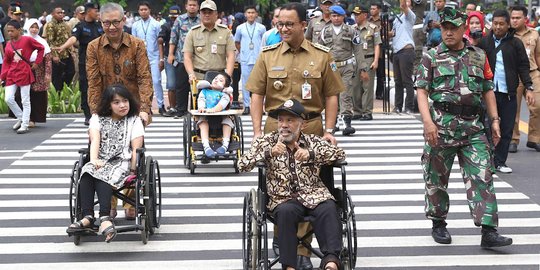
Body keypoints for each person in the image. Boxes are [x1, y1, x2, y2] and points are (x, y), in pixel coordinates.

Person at [246, 3, 344, 268]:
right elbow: (256, 94)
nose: (284, 29)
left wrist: (329, 131)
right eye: (280, 24)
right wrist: (257, 133)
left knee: (314, 188)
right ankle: (292, 246)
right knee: (281, 189)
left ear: (304, 25)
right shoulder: (268, 55)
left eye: (290, 24)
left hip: (311, 128)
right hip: (276, 129)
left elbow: (332, 94)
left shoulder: (322, 56)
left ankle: (306, 248)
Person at [415, 7, 513, 248]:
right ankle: (438, 222)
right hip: (441, 126)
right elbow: (421, 90)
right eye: (444, 28)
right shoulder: (432, 56)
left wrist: (495, 121)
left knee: (483, 175)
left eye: (453, 28)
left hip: (473, 128)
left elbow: (488, 89)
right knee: (436, 178)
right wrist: (428, 122)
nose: (448, 32)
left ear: (463, 29)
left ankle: (489, 230)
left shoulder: (478, 55)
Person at [238, 99, 344, 270]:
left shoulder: (313, 141)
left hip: (314, 195)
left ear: (302, 124)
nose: (284, 125)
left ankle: (331, 262)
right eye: (281, 120)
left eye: (290, 120)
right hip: (283, 198)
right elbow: (242, 164)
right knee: (286, 212)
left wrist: (310, 154)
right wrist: (268, 153)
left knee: (329, 207)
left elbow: (338, 153)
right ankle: (289, 266)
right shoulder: (267, 141)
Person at [85, 3, 154, 219]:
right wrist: (96, 112)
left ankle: (131, 200)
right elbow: (94, 82)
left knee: (133, 155)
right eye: (107, 23)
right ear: (101, 23)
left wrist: (144, 109)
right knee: (102, 153)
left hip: (131, 108)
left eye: (116, 22)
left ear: (124, 21)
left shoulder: (137, 45)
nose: (112, 27)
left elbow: (144, 78)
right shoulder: (93, 47)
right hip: (106, 109)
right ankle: (110, 202)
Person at [66, 84, 144, 243]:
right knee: (87, 170)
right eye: (116, 102)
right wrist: (94, 160)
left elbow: (136, 148)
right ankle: (88, 216)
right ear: (108, 104)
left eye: (125, 101)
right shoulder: (97, 119)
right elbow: (95, 140)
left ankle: (104, 217)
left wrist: (134, 170)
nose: (122, 105)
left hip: (122, 162)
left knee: (104, 173)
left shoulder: (134, 120)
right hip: (100, 158)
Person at [477, 9, 535, 173]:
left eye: (502, 24)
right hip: (488, 93)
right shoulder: (484, 42)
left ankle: (501, 162)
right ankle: (487, 160)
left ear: (508, 25)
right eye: (495, 23)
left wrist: (528, 87)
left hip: (508, 92)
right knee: (486, 127)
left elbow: (523, 66)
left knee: (507, 128)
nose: (498, 27)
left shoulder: (516, 43)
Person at [318, 5, 365, 136]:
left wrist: (363, 68)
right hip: (331, 67)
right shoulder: (325, 31)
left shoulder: (351, 31)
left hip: (347, 66)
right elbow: (319, 50)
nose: (336, 18)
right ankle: (333, 123)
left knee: (345, 93)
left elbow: (358, 50)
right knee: (332, 95)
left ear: (344, 16)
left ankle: (346, 123)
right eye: (333, 16)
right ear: (330, 16)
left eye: (338, 16)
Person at [54, 2, 103, 125]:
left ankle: (100, 113)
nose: (97, 12)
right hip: (85, 63)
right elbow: (73, 38)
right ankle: (88, 115)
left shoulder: (100, 26)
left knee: (101, 87)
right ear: (87, 11)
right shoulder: (80, 26)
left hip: (100, 62)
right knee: (85, 88)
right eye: (95, 10)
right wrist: (63, 47)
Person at [0, 20, 44, 134]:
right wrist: (2, 76)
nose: (9, 33)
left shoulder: (27, 40)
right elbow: (6, 61)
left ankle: (25, 124)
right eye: (8, 31)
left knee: (25, 100)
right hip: (11, 74)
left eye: (12, 31)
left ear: (19, 30)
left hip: (24, 72)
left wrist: (37, 62)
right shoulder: (8, 44)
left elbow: (41, 48)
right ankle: (21, 117)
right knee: (8, 98)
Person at [508, 6, 540, 153]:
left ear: (525, 18)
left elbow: (537, 55)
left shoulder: (534, 34)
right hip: (514, 74)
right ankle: (513, 139)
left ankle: (534, 139)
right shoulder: (507, 35)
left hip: (532, 73)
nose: (514, 20)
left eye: (517, 18)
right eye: (512, 18)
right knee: (513, 109)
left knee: (537, 106)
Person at [183, 0, 235, 85]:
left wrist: (227, 76)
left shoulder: (225, 32)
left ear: (216, 14)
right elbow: (187, 57)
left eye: (210, 12)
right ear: (200, 14)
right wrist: (191, 74)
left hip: (220, 78)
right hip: (199, 79)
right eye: (204, 12)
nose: (207, 15)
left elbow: (231, 55)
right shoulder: (192, 32)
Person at [168, 0, 200, 118]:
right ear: (186, 6)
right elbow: (173, 37)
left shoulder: (201, 20)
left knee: (196, 86)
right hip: (181, 58)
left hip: (198, 60)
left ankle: (194, 110)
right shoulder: (180, 20)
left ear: (198, 7)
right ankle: (181, 110)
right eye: (190, 5)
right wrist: (171, 54)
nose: (192, 7)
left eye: (194, 5)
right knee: (181, 86)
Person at [132, 1, 165, 115]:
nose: (143, 11)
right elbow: (133, 43)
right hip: (140, 57)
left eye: (145, 9)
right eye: (141, 10)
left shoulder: (156, 24)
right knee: (143, 83)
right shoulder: (135, 25)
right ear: (139, 11)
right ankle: (146, 106)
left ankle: (161, 105)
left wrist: (161, 59)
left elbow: (160, 42)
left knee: (156, 81)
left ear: (149, 10)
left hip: (154, 56)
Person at [234, 5, 266, 115]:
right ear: (245, 14)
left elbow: (263, 42)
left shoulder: (261, 28)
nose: (251, 15)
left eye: (253, 12)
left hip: (258, 58)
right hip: (245, 58)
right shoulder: (240, 28)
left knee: (260, 83)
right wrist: (243, 51)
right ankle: (247, 105)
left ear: (256, 14)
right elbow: (237, 42)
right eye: (249, 12)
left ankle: (260, 106)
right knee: (245, 83)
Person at [351, 5, 381, 121]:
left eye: (358, 14)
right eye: (355, 14)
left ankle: (367, 112)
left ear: (365, 15)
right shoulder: (352, 28)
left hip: (368, 59)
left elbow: (377, 45)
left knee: (367, 87)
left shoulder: (373, 28)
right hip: (355, 60)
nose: (356, 17)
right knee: (355, 87)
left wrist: (376, 60)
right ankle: (357, 111)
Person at [195, 72, 234, 157]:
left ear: (225, 87)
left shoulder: (225, 95)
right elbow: (201, 100)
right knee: (202, 122)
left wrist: (214, 110)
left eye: (221, 80)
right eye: (215, 78)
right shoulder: (204, 91)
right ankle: (206, 146)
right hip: (206, 115)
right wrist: (201, 107)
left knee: (228, 121)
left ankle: (225, 145)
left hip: (220, 116)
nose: (216, 80)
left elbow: (222, 104)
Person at [25, 18, 52, 128]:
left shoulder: (42, 42)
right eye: (32, 27)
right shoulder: (23, 40)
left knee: (37, 96)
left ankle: (34, 119)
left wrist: (47, 74)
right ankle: (25, 118)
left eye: (36, 27)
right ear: (27, 27)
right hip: (25, 71)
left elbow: (48, 59)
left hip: (39, 72)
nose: (34, 29)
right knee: (24, 95)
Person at [390, 0, 416, 114]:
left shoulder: (410, 15)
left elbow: (403, 5)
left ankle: (409, 107)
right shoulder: (397, 18)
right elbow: (392, 33)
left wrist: (404, 3)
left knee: (407, 80)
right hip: (396, 51)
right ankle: (398, 106)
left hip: (406, 51)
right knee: (397, 81)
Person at [43, 6, 75, 93]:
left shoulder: (65, 24)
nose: (61, 14)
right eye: (58, 13)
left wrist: (72, 51)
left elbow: (69, 38)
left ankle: (63, 89)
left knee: (71, 72)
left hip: (66, 53)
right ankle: (57, 95)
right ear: (53, 14)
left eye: (62, 13)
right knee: (57, 76)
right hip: (57, 54)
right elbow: (50, 42)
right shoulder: (50, 25)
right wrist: (54, 55)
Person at [159, 5, 181, 117]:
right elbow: (160, 40)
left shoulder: (183, 25)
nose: (174, 19)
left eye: (175, 17)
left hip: (182, 57)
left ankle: (182, 107)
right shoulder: (166, 26)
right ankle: (172, 107)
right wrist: (162, 58)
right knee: (171, 84)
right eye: (172, 17)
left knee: (183, 84)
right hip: (170, 57)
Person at [369, 3, 385, 100]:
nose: (372, 10)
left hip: (380, 50)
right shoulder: (368, 21)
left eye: (374, 9)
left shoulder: (383, 21)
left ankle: (379, 94)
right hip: (369, 50)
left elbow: (389, 33)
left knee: (380, 75)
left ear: (378, 10)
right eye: (371, 9)